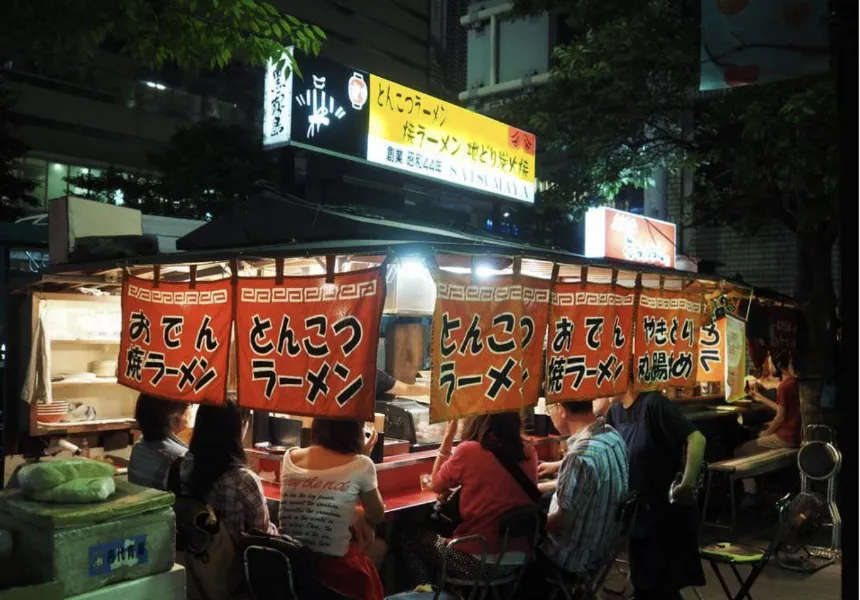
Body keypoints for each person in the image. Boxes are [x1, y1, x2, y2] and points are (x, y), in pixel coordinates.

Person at [399, 412, 539, 588]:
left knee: (410, 536)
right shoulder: (528, 450)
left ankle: (426, 593)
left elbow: (435, 484)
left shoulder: (469, 450)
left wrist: (448, 436)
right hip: (519, 560)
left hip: (476, 563)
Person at [606, 390, 707, 600]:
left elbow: (696, 438)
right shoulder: (614, 413)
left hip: (664, 512)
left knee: (662, 586)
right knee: (644, 584)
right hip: (637, 513)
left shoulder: (653, 403)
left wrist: (687, 484)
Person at [278, 418, 386, 600]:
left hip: (289, 562)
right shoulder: (363, 465)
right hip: (333, 572)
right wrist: (363, 456)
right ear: (356, 431)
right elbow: (377, 514)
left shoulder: (290, 456)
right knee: (380, 545)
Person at [540, 400, 629, 576]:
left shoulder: (579, 457)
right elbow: (591, 484)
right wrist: (544, 485)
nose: (550, 416)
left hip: (570, 560)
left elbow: (561, 522)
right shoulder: (612, 435)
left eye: (549, 410)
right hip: (602, 551)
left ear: (561, 409)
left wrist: (533, 525)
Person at [179, 402, 277, 541]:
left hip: (195, 554)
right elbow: (264, 535)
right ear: (240, 426)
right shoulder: (244, 480)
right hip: (233, 560)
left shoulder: (185, 464)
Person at [735, 351, 801, 507]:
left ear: (778, 365)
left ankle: (751, 493)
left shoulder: (784, 386)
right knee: (754, 438)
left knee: (739, 451)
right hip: (794, 436)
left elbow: (780, 418)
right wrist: (761, 398)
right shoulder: (795, 382)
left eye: (770, 361)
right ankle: (759, 490)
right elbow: (781, 410)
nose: (768, 365)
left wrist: (767, 432)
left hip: (785, 438)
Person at [128, 393, 191, 490]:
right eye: (188, 405)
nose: (190, 411)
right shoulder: (178, 457)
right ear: (174, 415)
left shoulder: (140, 446)